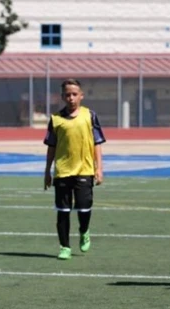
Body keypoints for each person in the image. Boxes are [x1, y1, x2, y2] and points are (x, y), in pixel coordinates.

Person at [43, 79, 105, 260]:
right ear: (62, 97)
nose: (71, 98)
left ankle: (84, 230)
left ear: (81, 96)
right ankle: (64, 247)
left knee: (84, 208)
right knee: (63, 212)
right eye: (67, 94)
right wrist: (47, 171)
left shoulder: (90, 115)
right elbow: (51, 147)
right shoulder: (56, 119)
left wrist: (99, 168)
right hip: (62, 171)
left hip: (85, 170)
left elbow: (97, 144)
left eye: (74, 94)